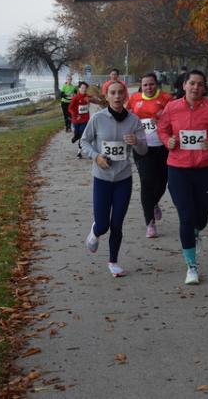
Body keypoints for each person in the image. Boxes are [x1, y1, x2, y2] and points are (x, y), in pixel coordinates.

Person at [156, 69, 208, 285]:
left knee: (200, 219)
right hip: (178, 169)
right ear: (184, 85)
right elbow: (162, 130)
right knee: (186, 216)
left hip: (204, 170)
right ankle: (191, 266)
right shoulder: (172, 107)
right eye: (192, 83)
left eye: (200, 84)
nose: (195, 87)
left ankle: (196, 231)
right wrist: (168, 141)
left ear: (204, 87)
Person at [81, 80, 148, 277]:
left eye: (120, 92)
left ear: (125, 95)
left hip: (123, 179)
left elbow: (143, 150)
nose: (117, 96)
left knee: (117, 223)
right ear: (107, 96)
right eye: (113, 93)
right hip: (102, 178)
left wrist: (137, 142)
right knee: (103, 225)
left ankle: (113, 262)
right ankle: (95, 231)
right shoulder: (98, 118)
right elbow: (84, 142)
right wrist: (96, 157)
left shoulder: (134, 120)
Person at [127, 72, 173, 238]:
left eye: (151, 84)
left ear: (156, 84)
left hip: (163, 147)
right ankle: (150, 223)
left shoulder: (167, 99)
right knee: (146, 182)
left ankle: (154, 203)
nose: (148, 87)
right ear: (141, 86)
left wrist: (160, 122)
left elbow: (175, 120)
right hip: (142, 148)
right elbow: (126, 117)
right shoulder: (134, 99)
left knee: (162, 181)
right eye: (145, 85)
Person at [67, 81, 92, 158]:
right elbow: (70, 108)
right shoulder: (75, 98)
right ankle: (75, 137)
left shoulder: (88, 97)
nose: (84, 89)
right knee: (77, 134)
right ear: (79, 88)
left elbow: (94, 100)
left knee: (82, 135)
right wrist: (76, 115)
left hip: (85, 119)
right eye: (82, 88)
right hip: (76, 119)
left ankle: (79, 152)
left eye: (85, 88)